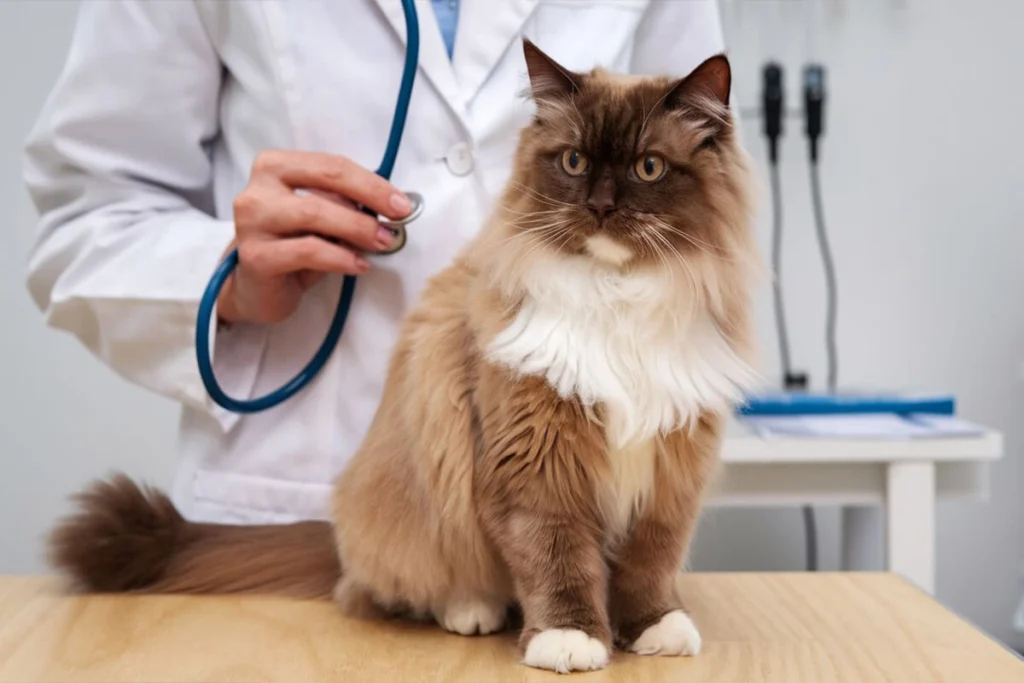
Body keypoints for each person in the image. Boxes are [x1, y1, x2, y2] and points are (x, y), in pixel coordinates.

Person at [23, 0, 729, 524]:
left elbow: (703, 176)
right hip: (290, 499)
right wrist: (224, 276)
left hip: (575, 511)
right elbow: (88, 213)